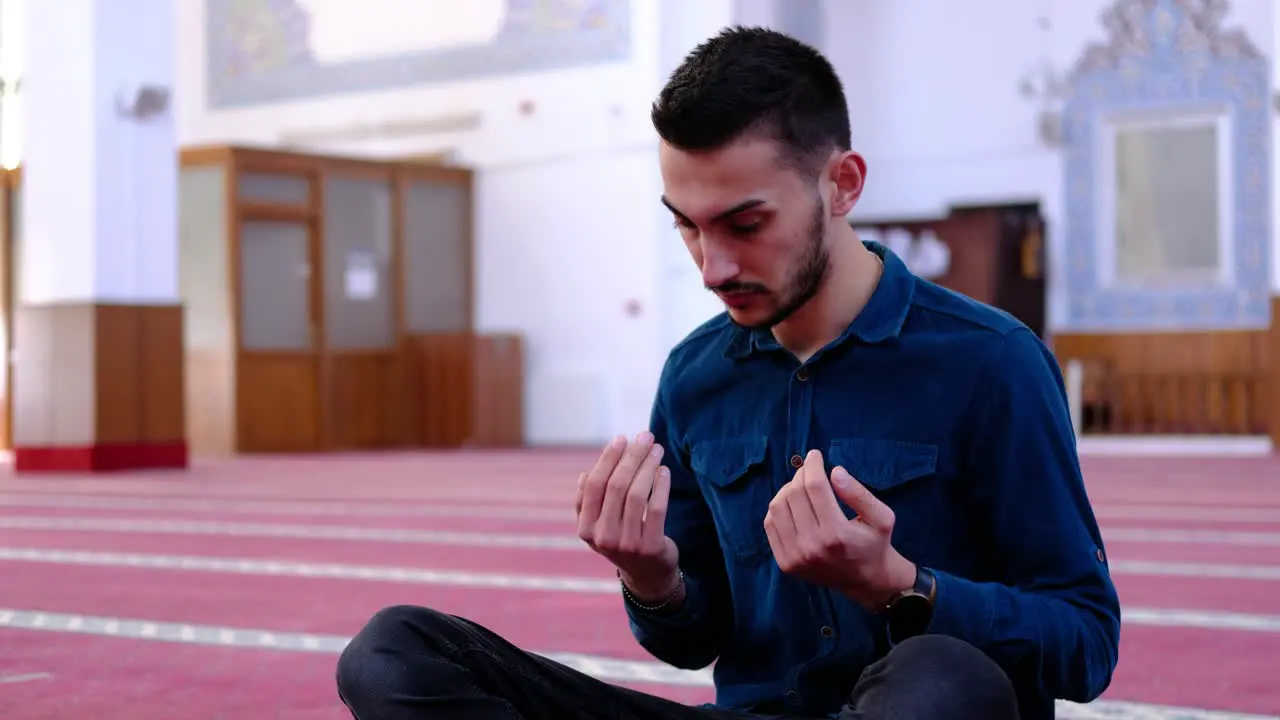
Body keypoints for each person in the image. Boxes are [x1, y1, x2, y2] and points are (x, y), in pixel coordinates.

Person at [334, 26, 1121, 720]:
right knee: (392, 652)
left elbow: (1085, 645)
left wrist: (899, 585)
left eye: (745, 225)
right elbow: (692, 641)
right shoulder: (695, 376)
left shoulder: (991, 362)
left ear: (843, 184)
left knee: (943, 676)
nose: (712, 267)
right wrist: (652, 578)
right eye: (688, 228)